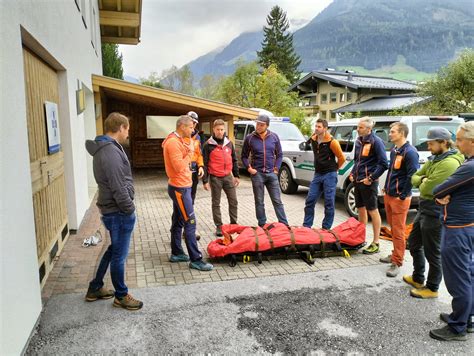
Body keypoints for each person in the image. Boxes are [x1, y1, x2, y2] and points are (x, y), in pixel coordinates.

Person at [85, 112, 143, 310]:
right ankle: (121, 295)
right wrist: (130, 209)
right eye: (127, 129)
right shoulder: (109, 152)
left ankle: (95, 287)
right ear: (121, 128)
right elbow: (118, 186)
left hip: (113, 209)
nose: (128, 133)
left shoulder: (107, 148)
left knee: (113, 250)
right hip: (118, 212)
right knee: (119, 255)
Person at [403, 127, 464, 299]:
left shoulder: (449, 163)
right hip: (424, 208)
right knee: (414, 243)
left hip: (435, 211)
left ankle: (432, 287)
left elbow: (431, 188)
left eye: (431, 143)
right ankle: (418, 278)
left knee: (433, 252)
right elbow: (415, 177)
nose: (428, 146)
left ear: (443, 142)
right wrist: (423, 180)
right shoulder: (437, 158)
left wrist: (423, 181)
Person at [429, 122, 474, 342]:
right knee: (469, 273)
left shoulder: (471, 166)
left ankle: (458, 327)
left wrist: (440, 195)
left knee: (459, 277)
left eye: (460, 140)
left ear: (472, 141)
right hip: (468, 225)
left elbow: (438, 189)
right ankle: (466, 318)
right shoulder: (468, 163)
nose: (456, 144)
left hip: (458, 228)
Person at [162, 115, 213, 271]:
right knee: (190, 222)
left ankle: (177, 253)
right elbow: (178, 167)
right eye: (191, 127)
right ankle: (196, 259)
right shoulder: (172, 143)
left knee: (178, 220)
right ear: (182, 127)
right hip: (179, 188)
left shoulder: (179, 140)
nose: (193, 130)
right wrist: (190, 152)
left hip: (184, 186)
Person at [379, 122, 419, 277]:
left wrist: (403, 195)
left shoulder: (410, 152)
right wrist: (386, 188)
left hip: (399, 198)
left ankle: (397, 261)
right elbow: (392, 172)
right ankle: (395, 253)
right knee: (393, 228)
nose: (390, 134)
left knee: (398, 230)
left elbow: (412, 176)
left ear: (402, 133)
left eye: (393, 131)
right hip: (389, 195)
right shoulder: (395, 150)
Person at [349, 117, 388, 254]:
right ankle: (360, 238)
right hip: (357, 181)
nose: (357, 129)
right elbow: (357, 161)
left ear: (368, 129)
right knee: (360, 209)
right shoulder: (359, 141)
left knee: (373, 210)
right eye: (358, 126)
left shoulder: (376, 142)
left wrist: (371, 178)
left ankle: (376, 242)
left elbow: (384, 164)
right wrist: (353, 173)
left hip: (368, 183)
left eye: (360, 127)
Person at [241, 114, 289, 227]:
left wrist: (276, 168)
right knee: (259, 202)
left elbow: (280, 154)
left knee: (277, 200)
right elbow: (244, 156)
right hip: (257, 174)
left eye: (261, 125)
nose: (258, 126)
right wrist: (249, 168)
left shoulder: (274, 137)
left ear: (267, 126)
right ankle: (262, 225)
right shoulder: (250, 138)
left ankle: (284, 225)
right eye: (257, 124)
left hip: (272, 174)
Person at [303, 118, 345, 230]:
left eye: (319, 127)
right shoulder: (313, 139)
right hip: (318, 174)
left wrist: (335, 169)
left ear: (325, 128)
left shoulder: (332, 142)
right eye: (315, 126)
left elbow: (341, 158)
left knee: (329, 202)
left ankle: (326, 228)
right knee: (310, 200)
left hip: (330, 175)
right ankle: (306, 227)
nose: (316, 128)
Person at [202, 119, 240, 236]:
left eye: (222, 129)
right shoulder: (208, 145)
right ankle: (219, 226)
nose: (220, 132)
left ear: (224, 130)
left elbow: (234, 160)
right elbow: (204, 163)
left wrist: (237, 175)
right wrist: (205, 181)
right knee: (216, 203)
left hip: (228, 177)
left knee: (233, 201)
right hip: (215, 178)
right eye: (217, 129)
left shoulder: (229, 143)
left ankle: (233, 224)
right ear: (213, 130)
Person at [184, 111, 204, 240]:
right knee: (181, 202)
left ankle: (189, 229)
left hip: (194, 172)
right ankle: (178, 228)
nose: (193, 125)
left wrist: (201, 166)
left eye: (195, 123)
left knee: (191, 201)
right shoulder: (179, 137)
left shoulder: (197, 137)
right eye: (191, 122)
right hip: (183, 173)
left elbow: (199, 153)